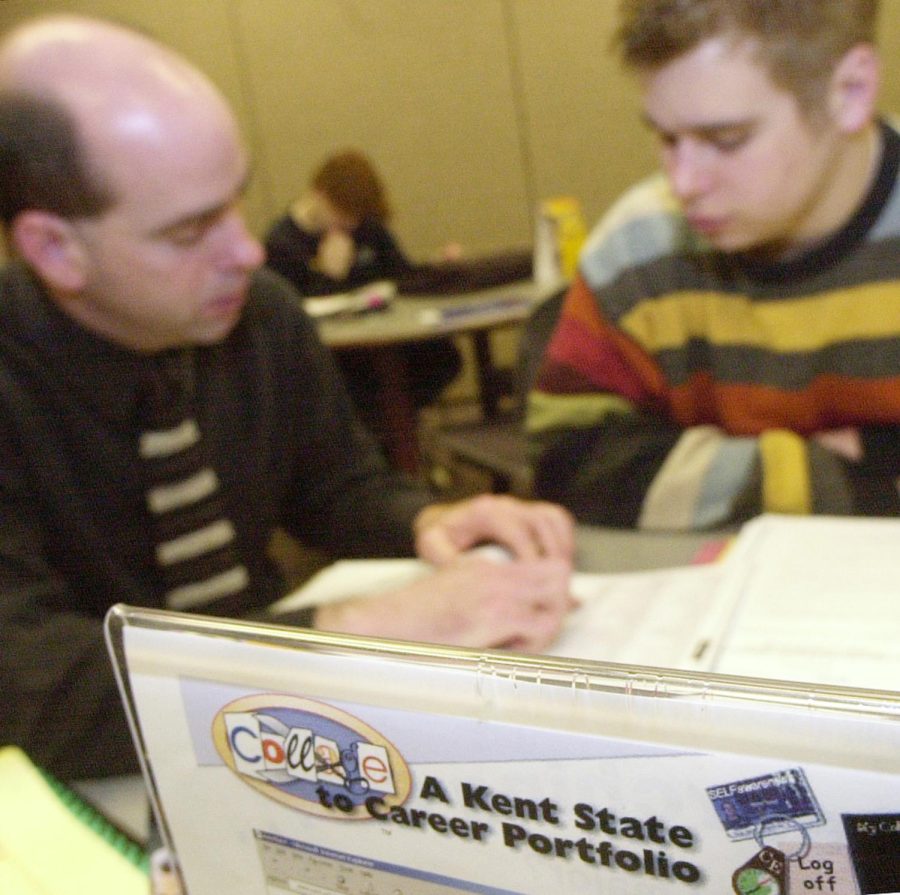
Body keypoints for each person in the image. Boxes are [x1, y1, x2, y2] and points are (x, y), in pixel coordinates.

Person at [0, 15, 575, 781]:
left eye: (234, 202)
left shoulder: (261, 316)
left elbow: (334, 488)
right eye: (189, 229)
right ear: (53, 249)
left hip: (268, 741)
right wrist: (351, 631)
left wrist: (428, 518)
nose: (244, 250)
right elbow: (35, 691)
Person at [528, 0, 900, 530]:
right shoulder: (639, 248)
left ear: (851, 92)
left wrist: (709, 474)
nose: (683, 184)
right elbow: (572, 469)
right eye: (666, 138)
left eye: (726, 141)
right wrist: (831, 475)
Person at [265, 150, 462, 436]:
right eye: (342, 213)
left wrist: (436, 267)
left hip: (387, 339)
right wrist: (330, 276)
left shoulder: (367, 228)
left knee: (443, 356)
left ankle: (401, 435)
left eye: (356, 216)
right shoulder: (282, 244)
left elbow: (401, 276)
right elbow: (294, 319)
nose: (350, 224)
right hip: (340, 357)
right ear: (318, 194)